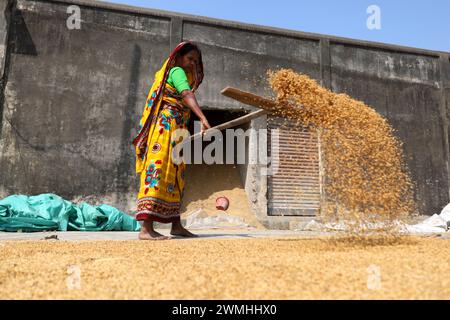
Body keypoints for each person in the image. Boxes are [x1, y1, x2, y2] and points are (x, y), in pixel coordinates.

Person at [132, 41, 211, 240]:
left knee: (177, 176)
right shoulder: (176, 71)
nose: (193, 63)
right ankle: (146, 229)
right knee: (158, 170)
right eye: (189, 59)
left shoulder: (182, 72)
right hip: (165, 128)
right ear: (178, 57)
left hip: (178, 130)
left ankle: (176, 225)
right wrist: (202, 117)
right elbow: (186, 93)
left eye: (196, 60)